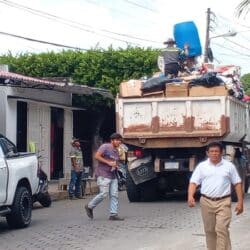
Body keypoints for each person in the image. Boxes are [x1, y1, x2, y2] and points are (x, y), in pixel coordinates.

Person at [188, 141, 244, 250]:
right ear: (207, 153)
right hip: (206, 201)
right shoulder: (202, 167)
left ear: (221, 152)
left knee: (221, 228)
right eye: (212, 151)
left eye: (217, 151)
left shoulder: (229, 166)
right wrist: (190, 196)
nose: (214, 153)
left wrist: (240, 202)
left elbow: (237, 183)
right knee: (210, 230)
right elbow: (193, 182)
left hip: (223, 201)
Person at [85, 133, 124, 221]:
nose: (119, 142)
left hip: (113, 175)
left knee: (114, 195)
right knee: (103, 194)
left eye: (120, 140)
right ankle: (89, 206)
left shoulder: (116, 151)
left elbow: (115, 162)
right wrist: (108, 162)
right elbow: (97, 156)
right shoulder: (105, 146)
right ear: (112, 140)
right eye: (117, 140)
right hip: (103, 175)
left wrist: (116, 165)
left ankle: (113, 214)